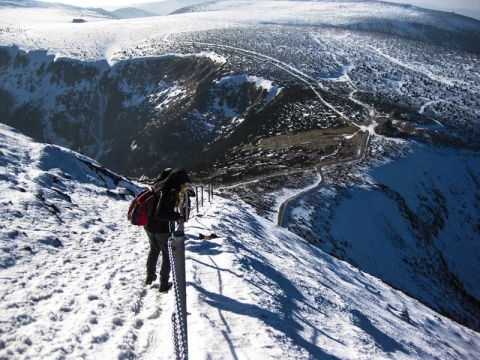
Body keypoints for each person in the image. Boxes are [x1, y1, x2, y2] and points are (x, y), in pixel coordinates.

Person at [144, 168, 192, 292]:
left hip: (149, 226)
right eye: (182, 182)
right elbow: (160, 213)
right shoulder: (168, 190)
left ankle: (149, 277)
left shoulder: (159, 184)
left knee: (154, 249)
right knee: (167, 254)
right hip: (161, 229)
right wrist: (176, 216)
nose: (183, 185)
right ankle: (164, 284)